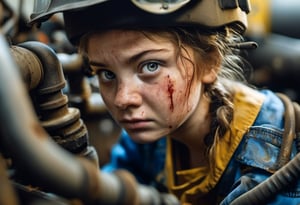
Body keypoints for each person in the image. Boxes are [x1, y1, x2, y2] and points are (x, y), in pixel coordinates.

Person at [29, 0, 300, 204]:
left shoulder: (276, 169)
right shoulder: (153, 136)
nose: (123, 99)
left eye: (150, 66)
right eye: (107, 74)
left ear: (210, 63)